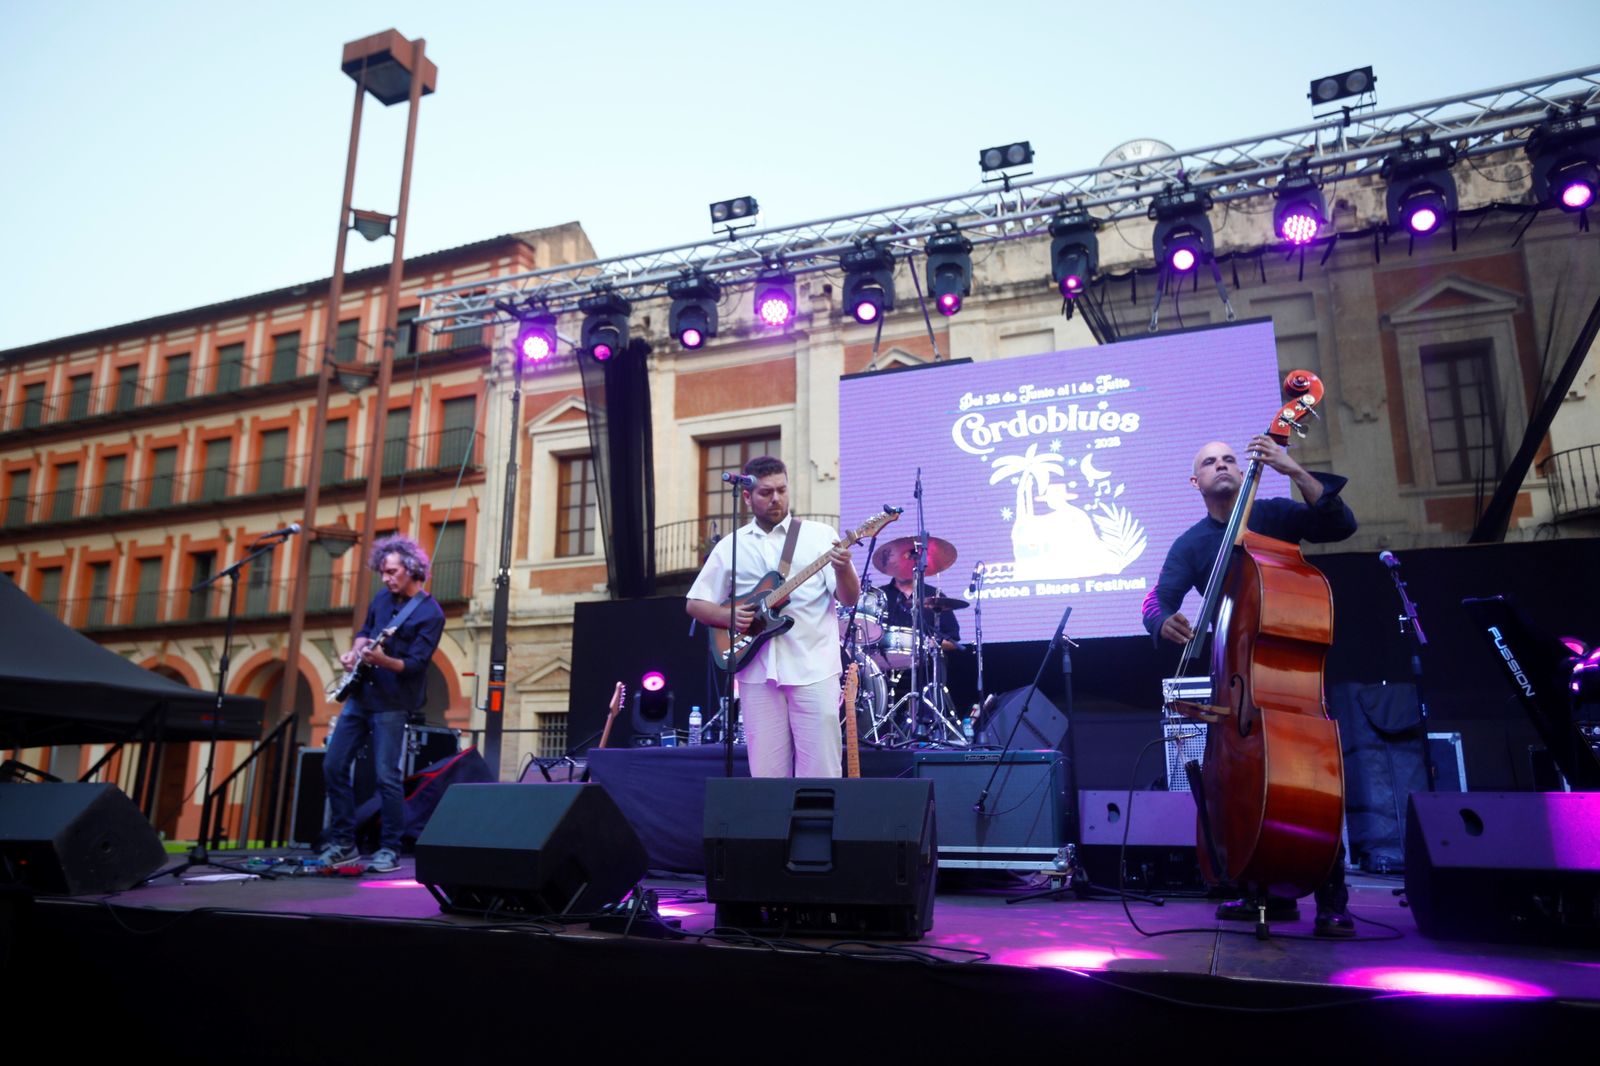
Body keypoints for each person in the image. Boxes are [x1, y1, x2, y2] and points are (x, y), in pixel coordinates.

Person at [1141, 436, 1358, 938]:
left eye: (1229, 459)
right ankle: (1260, 890)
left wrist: (1294, 469)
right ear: (1196, 483)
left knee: (1310, 784)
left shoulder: (1276, 515)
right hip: (1236, 687)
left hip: (1286, 677)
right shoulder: (1192, 544)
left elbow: (1340, 525)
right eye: (1209, 462)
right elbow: (1157, 598)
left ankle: (1332, 896)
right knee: (1237, 782)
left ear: (1242, 472)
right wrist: (1161, 620)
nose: (1221, 465)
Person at [686, 456, 859, 778]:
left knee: (822, 770)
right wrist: (727, 615)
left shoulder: (819, 535)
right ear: (748, 496)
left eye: (781, 489)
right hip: (756, 671)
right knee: (766, 775)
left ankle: (818, 828)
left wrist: (843, 566)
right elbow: (695, 603)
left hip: (815, 667)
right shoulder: (731, 546)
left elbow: (849, 597)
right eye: (766, 492)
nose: (776, 498)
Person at [319, 535, 445, 873]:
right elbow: (366, 629)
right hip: (361, 696)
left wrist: (382, 660)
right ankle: (344, 843)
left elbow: (416, 665)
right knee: (333, 765)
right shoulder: (381, 598)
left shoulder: (430, 613)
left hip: (393, 702)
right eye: (383, 573)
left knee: (386, 776)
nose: (386, 579)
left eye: (392, 572)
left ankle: (389, 848)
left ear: (412, 569)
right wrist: (355, 651)